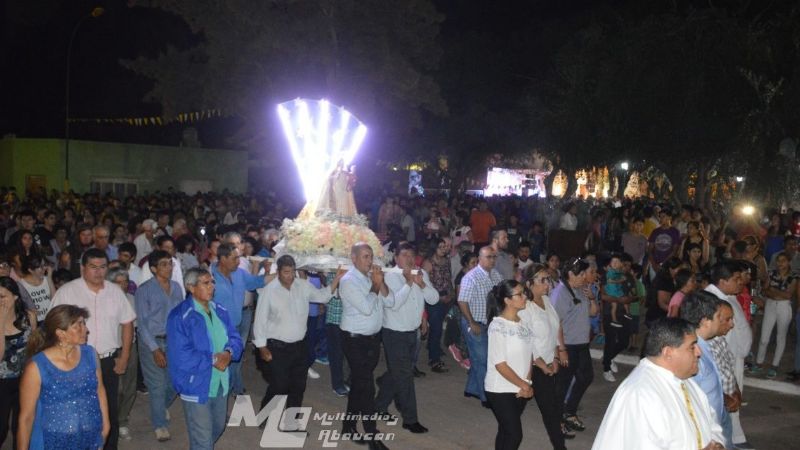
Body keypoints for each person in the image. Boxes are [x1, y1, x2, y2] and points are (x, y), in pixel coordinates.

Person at [591, 318, 725, 450]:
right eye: (692, 347)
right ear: (668, 352)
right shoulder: (640, 394)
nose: (699, 352)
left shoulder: (685, 380)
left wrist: (718, 443)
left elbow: (710, 421)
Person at [50, 248, 135, 450]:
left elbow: (127, 324)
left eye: (103, 267)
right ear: (82, 268)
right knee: (78, 411)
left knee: (109, 412)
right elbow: (52, 326)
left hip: (107, 361)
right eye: (93, 267)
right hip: (74, 361)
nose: (98, 272)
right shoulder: (67, 292)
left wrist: (124, 357)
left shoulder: (115, 292)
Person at [253, 255, 343, 411]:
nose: (290, 276)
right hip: (277, 347)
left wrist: (337, 279)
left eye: (292, 271)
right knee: (280, 385)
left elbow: (322, 296)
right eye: (286, 272)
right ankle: (265, 416)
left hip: (300, 346)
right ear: (279, 271)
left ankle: (291, 422)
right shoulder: (269, 291)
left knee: (298, 385)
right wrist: (262, 347)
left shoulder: (302, 286)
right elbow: (260, 320)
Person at [166, 267, 243, 450]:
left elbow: (235, 337)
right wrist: (214, 359)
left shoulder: (220, 310)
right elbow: (181, 356)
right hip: (196, 385)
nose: (212, 287)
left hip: (220, 382)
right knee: (202, 439)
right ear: (191, 287)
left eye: (213, 282)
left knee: (217, 427)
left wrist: (229, 353)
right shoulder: (180, 316)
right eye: (206, 283)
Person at [17, 305, 110, 450]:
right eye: (78, 325)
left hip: (90, 435)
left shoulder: (90, 354)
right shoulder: (37, 367)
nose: (85, 330)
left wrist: (106, 425)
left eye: (83, 323)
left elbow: (99, 390)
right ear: (61, 333)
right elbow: (26, 417)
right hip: (55, 441)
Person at [377, 243, 439, 434]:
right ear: (396, 258)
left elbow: (433, 299)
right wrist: (409, 282)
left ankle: (379, 404)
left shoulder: (420, 273)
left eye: (412, 254)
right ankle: (410, 419)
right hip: (394, 333)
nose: (409, 258)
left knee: (398, 372)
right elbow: (394, 304)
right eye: (404, 255)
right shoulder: (390, 276)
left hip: (412, 332)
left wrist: (421, 284)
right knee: (405, 376)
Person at [338, 243, 394, 449]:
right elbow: (366, 308)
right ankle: (372, 436)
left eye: (371, 257)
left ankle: (348, 426)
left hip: (372, 339)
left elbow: (390, 302)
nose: (369, 261)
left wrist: (382, 282)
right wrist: (376, 285)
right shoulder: (348, 281)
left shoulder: (373, 278)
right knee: (367, 387)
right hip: (354, 340)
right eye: (364, 257)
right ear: (353, 258)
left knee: (360, 386)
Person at [136, 250, 184, 441]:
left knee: (175, 381)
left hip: (173, 340)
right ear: (154, 268)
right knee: (156, 385)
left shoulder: (176, 287)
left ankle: (159, 407)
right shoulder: (144, 290)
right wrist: (155, 349)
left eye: (170, 263)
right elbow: (142, 323)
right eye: (164, 264)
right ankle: (160, 425)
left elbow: (180, 315)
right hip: (152, 341)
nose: (169, 267)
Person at [705, 261, 753, 450]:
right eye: (736, 279)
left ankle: (734, 437)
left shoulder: (729, 296)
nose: (741, 282)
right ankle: (729, 440)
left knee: (733, 398)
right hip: (723, 358)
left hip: (735, 357)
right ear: (723, 281)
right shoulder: (711, 299)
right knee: (726, 399)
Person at [520, 264, 569, 448]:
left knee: (551, 410)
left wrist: (556, 355)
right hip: (533, 367)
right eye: (543, 280)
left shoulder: (546, 301)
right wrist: (542, 365)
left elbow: (554, 329)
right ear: (530, 283)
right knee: (549, 411)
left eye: (548, 279)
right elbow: (526, 342)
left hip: (548, 364)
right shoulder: (525, 307)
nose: (548, 283)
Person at [210, 243, 268, 396]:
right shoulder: (210, 277)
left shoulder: (239, 274)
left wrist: (279, 273)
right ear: (223, 259)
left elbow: (256, 282)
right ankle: (219, 405)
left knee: (234, 361)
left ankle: (229, 393)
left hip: (235, 328)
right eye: (235, 258)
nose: (238, 261)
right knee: (220, 368)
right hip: (218, 332)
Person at [485, 279, 534, 450]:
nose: (525, 297)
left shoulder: (523, 323)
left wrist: (527, 384)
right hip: (500, 388)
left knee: (506, 431)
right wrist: (523, 385)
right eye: (519, 294)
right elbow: (500, 364)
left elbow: (529, 356)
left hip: (520, 388)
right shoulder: (497, 326)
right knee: (515, 434)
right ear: (507, 300)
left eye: (524, 293)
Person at [551, 258, 597, 433]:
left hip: (582, 344)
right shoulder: (560, 293)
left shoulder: (580, 289)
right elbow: (556, 323)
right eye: (582, 273)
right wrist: (561, 350)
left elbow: (593, 313)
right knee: (562, 384)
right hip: (568, 345)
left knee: (586, 377)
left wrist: (592, 298)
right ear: (571, 274)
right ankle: (556, 421)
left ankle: (569, 412)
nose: (585, 276)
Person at [681, 291, 732, 447]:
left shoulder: (704, 345)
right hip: (706, 433)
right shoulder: (693, 355)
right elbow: (688, 403)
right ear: (705, 321)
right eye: (718, 317)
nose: (728, 323)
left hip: (716, 424)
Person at [458, 246, 503, 403]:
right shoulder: (471, 277)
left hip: (490, 324)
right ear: (480, 258)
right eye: (489, 257)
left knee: (480, 359)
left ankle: (472, 389)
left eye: (494, 257)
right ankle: (487, 397)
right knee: (482, 360)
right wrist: (471, 322)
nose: (492, 260)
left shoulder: (496, 275)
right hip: (474, 322)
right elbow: (462, 301)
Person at [753, 252, 797, 378]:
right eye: (778, 260)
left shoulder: (794, 276)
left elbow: (788, 295)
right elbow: (765, 290)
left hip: (784, 306)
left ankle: (774, 366)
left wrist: (772, 291)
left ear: (789, 262)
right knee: (764, 338)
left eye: (783, 260)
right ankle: (759, 363)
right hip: (772, 304)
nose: (780, 263)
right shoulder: (771, 273)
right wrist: (776, 293)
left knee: (780, 336)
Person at [0, 277, 32, 449]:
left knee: (21, 425)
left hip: (24, 380)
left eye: (2, 296)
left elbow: (33, 350)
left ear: (15, 297)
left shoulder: (27, 319)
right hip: (1, 381)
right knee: (1, 427)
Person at [106, 268, 137, 442]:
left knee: (129, 387)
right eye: (119, 282)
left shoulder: (131, 299)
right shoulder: (105, 301)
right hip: (113, 349)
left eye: (125, 281)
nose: (123, 285)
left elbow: (135, 325)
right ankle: (112, 422)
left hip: (131, 347)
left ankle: (122, 420)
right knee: (115, 388)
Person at [600, 254, 634, 383]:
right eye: (614, 262)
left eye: (619, 262)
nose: (618, 264)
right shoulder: (606, 275)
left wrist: (628, 299)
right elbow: (603, 295)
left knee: (624, 341)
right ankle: (606, 368)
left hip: (624, 314)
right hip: (610, 313)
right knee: (610, 341)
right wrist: (619, 299)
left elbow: (636, 295)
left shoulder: (628, 277)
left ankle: (609, 357)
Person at [421, 237, 452, 373]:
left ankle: (434, 348)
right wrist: (439, 297)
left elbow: (448, 279)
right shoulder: (428, 263)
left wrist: (451, 294)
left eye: (445, 247)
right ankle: (434, 360)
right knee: (436, 329)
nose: (444, 249)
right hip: (434, 300)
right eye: (441, 247)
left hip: (447, 298)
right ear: (434, 248)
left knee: (437, 328)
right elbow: (425, 285)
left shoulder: (446, 260)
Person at [645, 257, 683, 328]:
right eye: (679, 269)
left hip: (660, 318)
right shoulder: (665, 282)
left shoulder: (670, 280)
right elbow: (662, 304)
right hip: (658, 318)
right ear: (671, 269)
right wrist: (677, 311)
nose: (681, 271)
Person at [17, 256, 55, 327]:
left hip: (50, 319)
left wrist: (49, 278)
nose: (44, 268)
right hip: (35, 322)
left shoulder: (47, 279)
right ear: (30, 270)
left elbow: (54, 299)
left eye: (44, 265)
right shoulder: (21, 285)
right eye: (40, 266)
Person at [604, 253, 629, 328]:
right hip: (612, 292)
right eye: (613, 262)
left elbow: (624, 278)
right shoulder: (610, 271)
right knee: (614, 306)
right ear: (610, 264)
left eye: (617, 262)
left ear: (620, 264)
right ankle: (614, 320)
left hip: (617, 291)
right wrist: (620, 280)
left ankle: (627, 313)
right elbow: (610, 281)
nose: (614, 263)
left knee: (624, 301)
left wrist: (622, 279)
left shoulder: (619, 271)